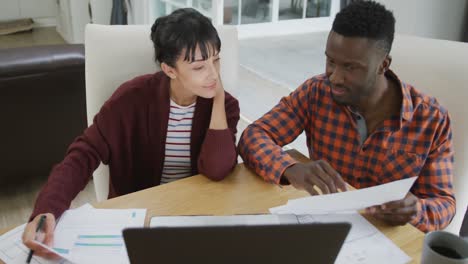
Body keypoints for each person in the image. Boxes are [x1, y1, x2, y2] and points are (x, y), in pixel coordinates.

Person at [23, 8, 240, 258]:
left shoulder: (225, 106)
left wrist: (219, 100)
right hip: (136, 221)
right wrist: (47, 208)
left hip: (194, 215)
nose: (213, 74)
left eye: (216, 60)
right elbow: (83, 155)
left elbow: (217, 169)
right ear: (169, 70)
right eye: (200, 67)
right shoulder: (130, 99)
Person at [238, 1, 455, 233]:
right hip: (324, 231)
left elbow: (444, 203)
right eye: (331, 61)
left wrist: (416, 210)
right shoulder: (316, 92)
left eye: (350, 67)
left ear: (383, 65)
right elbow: (253, 135)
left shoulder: (431, 120)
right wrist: (290, 169)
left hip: (387, 240)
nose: (335, 77)